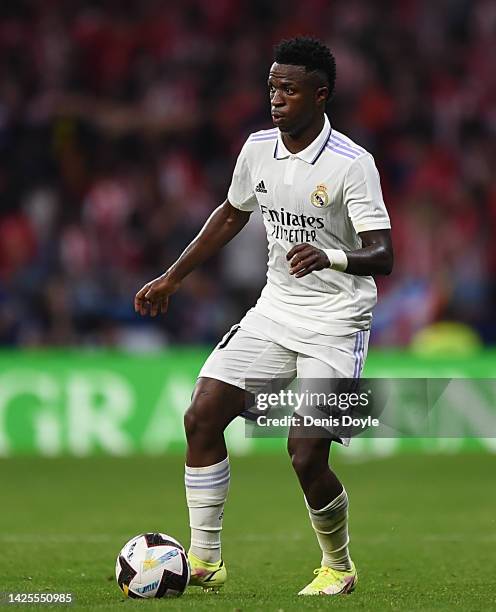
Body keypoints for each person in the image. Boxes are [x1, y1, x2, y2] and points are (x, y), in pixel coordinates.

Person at [135, 36, 393, 596]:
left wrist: (331, 255)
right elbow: (230, 216)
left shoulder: (353, 165)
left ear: (320, 95)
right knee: (202, 416)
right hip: (274, 310)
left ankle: (339, 567)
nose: (276, 98)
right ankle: (204, 561)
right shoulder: (256, 149)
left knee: (304, 453)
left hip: (336, 320)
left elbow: (384, 254)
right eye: (272, 86)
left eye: (289, 89)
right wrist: (174, 276)